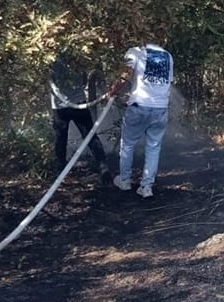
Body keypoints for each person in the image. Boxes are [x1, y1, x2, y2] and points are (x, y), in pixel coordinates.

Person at [107, 43, 174, 197]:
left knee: (128, 144)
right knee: (153, 147)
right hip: (161, 108)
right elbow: (166, 83)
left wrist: (113, 91)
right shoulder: (167, 56)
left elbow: (125, 76)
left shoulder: (135, 52)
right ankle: (146, 187)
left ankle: (124, 181)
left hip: (139, 106)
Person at [49, 52, 110, 178]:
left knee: (61, 139)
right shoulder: (78, 60)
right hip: (78, 103)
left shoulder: (51, 61)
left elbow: (51, 80)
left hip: (61, 107)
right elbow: (83, 80)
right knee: (90, 136)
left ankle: (60, 170)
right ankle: (103, 167)